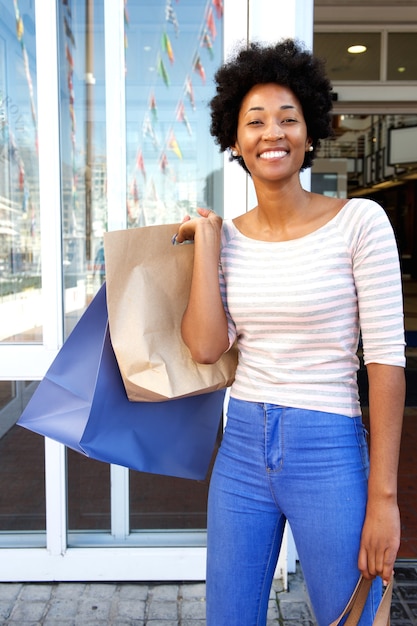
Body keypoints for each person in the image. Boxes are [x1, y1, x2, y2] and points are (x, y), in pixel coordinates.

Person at [175, 39, 405, 626]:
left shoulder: (360, 222)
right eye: (254, 121)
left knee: (351, 616)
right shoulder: (226, 240)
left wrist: (384, 498)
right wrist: (206, 244)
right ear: (234, 140)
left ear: (308, 133)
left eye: (287, 118)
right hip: (243, 447)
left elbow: (385, 363)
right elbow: (204, 348)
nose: (271, 132)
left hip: (327, 446)